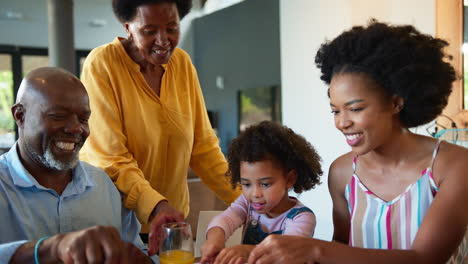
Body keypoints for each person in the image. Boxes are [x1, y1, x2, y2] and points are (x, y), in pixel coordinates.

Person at [247, 20, 468, 264]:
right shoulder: (342, 173)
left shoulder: (454, 166)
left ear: (396, 102)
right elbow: (342, 249)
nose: (342, 123)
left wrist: (315, 249)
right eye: (335, 111)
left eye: (355, 108)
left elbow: (425, 259)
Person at [79, 0, 241, 255]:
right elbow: (110, 158)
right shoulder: (102, 64)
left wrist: (248, 200)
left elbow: (204, 147)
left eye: (172, 28)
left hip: (173, 223)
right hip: (120, 225)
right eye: (150, 31)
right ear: (128, 26)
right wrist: (156, 206)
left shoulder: (183, 64)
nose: (163, 40)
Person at [0, 67, 153, 264]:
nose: (75, 128)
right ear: (20, 115)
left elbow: (136, 252)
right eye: (58, 116)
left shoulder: (103, 185)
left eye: (83, 119)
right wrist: (51, 249)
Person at [201, 121, 323, 264]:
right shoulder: (247, 203)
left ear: (290, 179)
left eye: (265, 184)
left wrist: (247, 251)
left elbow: (286, 252)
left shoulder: (301, 218)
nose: (255, 194)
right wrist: (214, 241)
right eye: (246, 184)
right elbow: (225, 219)